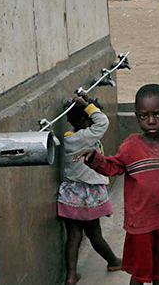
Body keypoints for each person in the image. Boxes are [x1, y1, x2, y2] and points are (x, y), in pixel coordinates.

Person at [75, 84, 159, 285]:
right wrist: (95, 157)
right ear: (136, 116)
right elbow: (113, 167)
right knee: (139, 274)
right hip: (141, 224)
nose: (151, 121)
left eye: (158, 115)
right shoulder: (131, 145)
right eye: (143, 116)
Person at [58, 92, 122, 285]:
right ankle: (112, 261)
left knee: (74, 236)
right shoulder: (87, 136)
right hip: (88, 194)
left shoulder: (68, 138)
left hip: (70, 193)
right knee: (94, 234)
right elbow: (102, 122)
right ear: (86, 121)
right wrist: (87, 104)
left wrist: (85, 102)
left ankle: (71, 275)